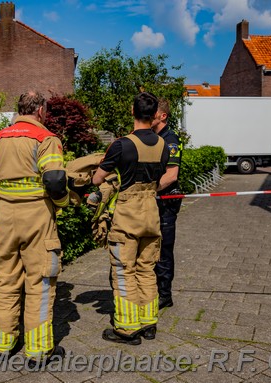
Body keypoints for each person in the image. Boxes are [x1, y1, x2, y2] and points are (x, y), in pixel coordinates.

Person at [0, 91, 68, 364]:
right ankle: (37, 351)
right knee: (40, 281)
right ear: (40, 111)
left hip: (5, 216)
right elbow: (56, 180)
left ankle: (3, 346)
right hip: (37, 217)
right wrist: (63, 203)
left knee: (7, 280)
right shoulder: (46, 139)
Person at [92, 92, 174, 345]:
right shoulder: (163, 144)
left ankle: (127, 329)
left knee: (124, 271)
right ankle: (149, 323)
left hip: (128, 215)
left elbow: (96, 179)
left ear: (132, 111)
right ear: (153, 114)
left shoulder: (121, 144)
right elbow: (161, 178)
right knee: (147, 269)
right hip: (151, 211)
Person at [151, 98, 182, 310]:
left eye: (152, 113)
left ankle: (165, 295)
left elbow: (171, 176)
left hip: (166, 201)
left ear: (162, 116)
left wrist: (146, 192)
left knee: (164, 249)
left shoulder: (170, 139)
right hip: (154, 200)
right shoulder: (152, 138)